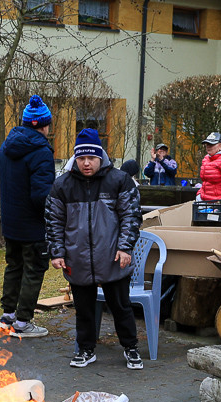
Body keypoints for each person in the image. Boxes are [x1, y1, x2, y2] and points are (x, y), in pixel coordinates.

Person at [46, 129, 143, 370]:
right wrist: (57, 252)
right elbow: (53, 221)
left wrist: (125, 247)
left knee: (121, 306)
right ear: (75, 158)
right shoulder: (62, 185)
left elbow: (131, 216)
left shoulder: (120, 181)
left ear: (101, 156)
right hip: (77, 257)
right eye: (81, 158)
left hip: (112, 256)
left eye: (91, 158)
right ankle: (86, 349)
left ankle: (131, 348)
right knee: (84, 309)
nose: (86, 163)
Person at [0, 95, 56, 338]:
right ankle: (23, 322)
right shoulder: (41, 152)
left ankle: (7, 316)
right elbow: (42, 196)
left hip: (11, 223)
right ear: (45, 125)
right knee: (34, 270)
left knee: (14, 266)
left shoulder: (6, 146)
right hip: (33, 226)